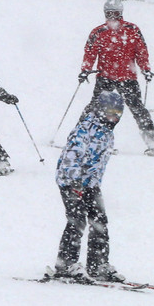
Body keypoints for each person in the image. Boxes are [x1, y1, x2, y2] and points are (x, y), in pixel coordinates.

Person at [49, 91, 126, 281]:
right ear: (99, 110)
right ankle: (65, 264)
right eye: (109, 112)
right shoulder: (85, 129)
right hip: (71, 181)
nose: (113, 117)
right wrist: (75, 183)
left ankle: (98, 264)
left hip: (90, 183)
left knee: (100, 220)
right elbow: (71, 157)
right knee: (77, 220)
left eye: (117, 113)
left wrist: (91, 183)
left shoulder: (107, 133)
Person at [79, 0, 154, 154]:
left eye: (115, 13)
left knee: (138, 110)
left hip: (127, 78)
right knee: (98, 110)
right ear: (105, 13)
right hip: (106, 77)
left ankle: (152, 143)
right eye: (109, 13)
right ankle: (84, 138)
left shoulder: (132, 29)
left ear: (121, 13)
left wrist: (145, 69)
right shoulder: (99, 32)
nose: (112, 16)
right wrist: (85, 69)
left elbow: (141, 51)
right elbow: (90, 52)